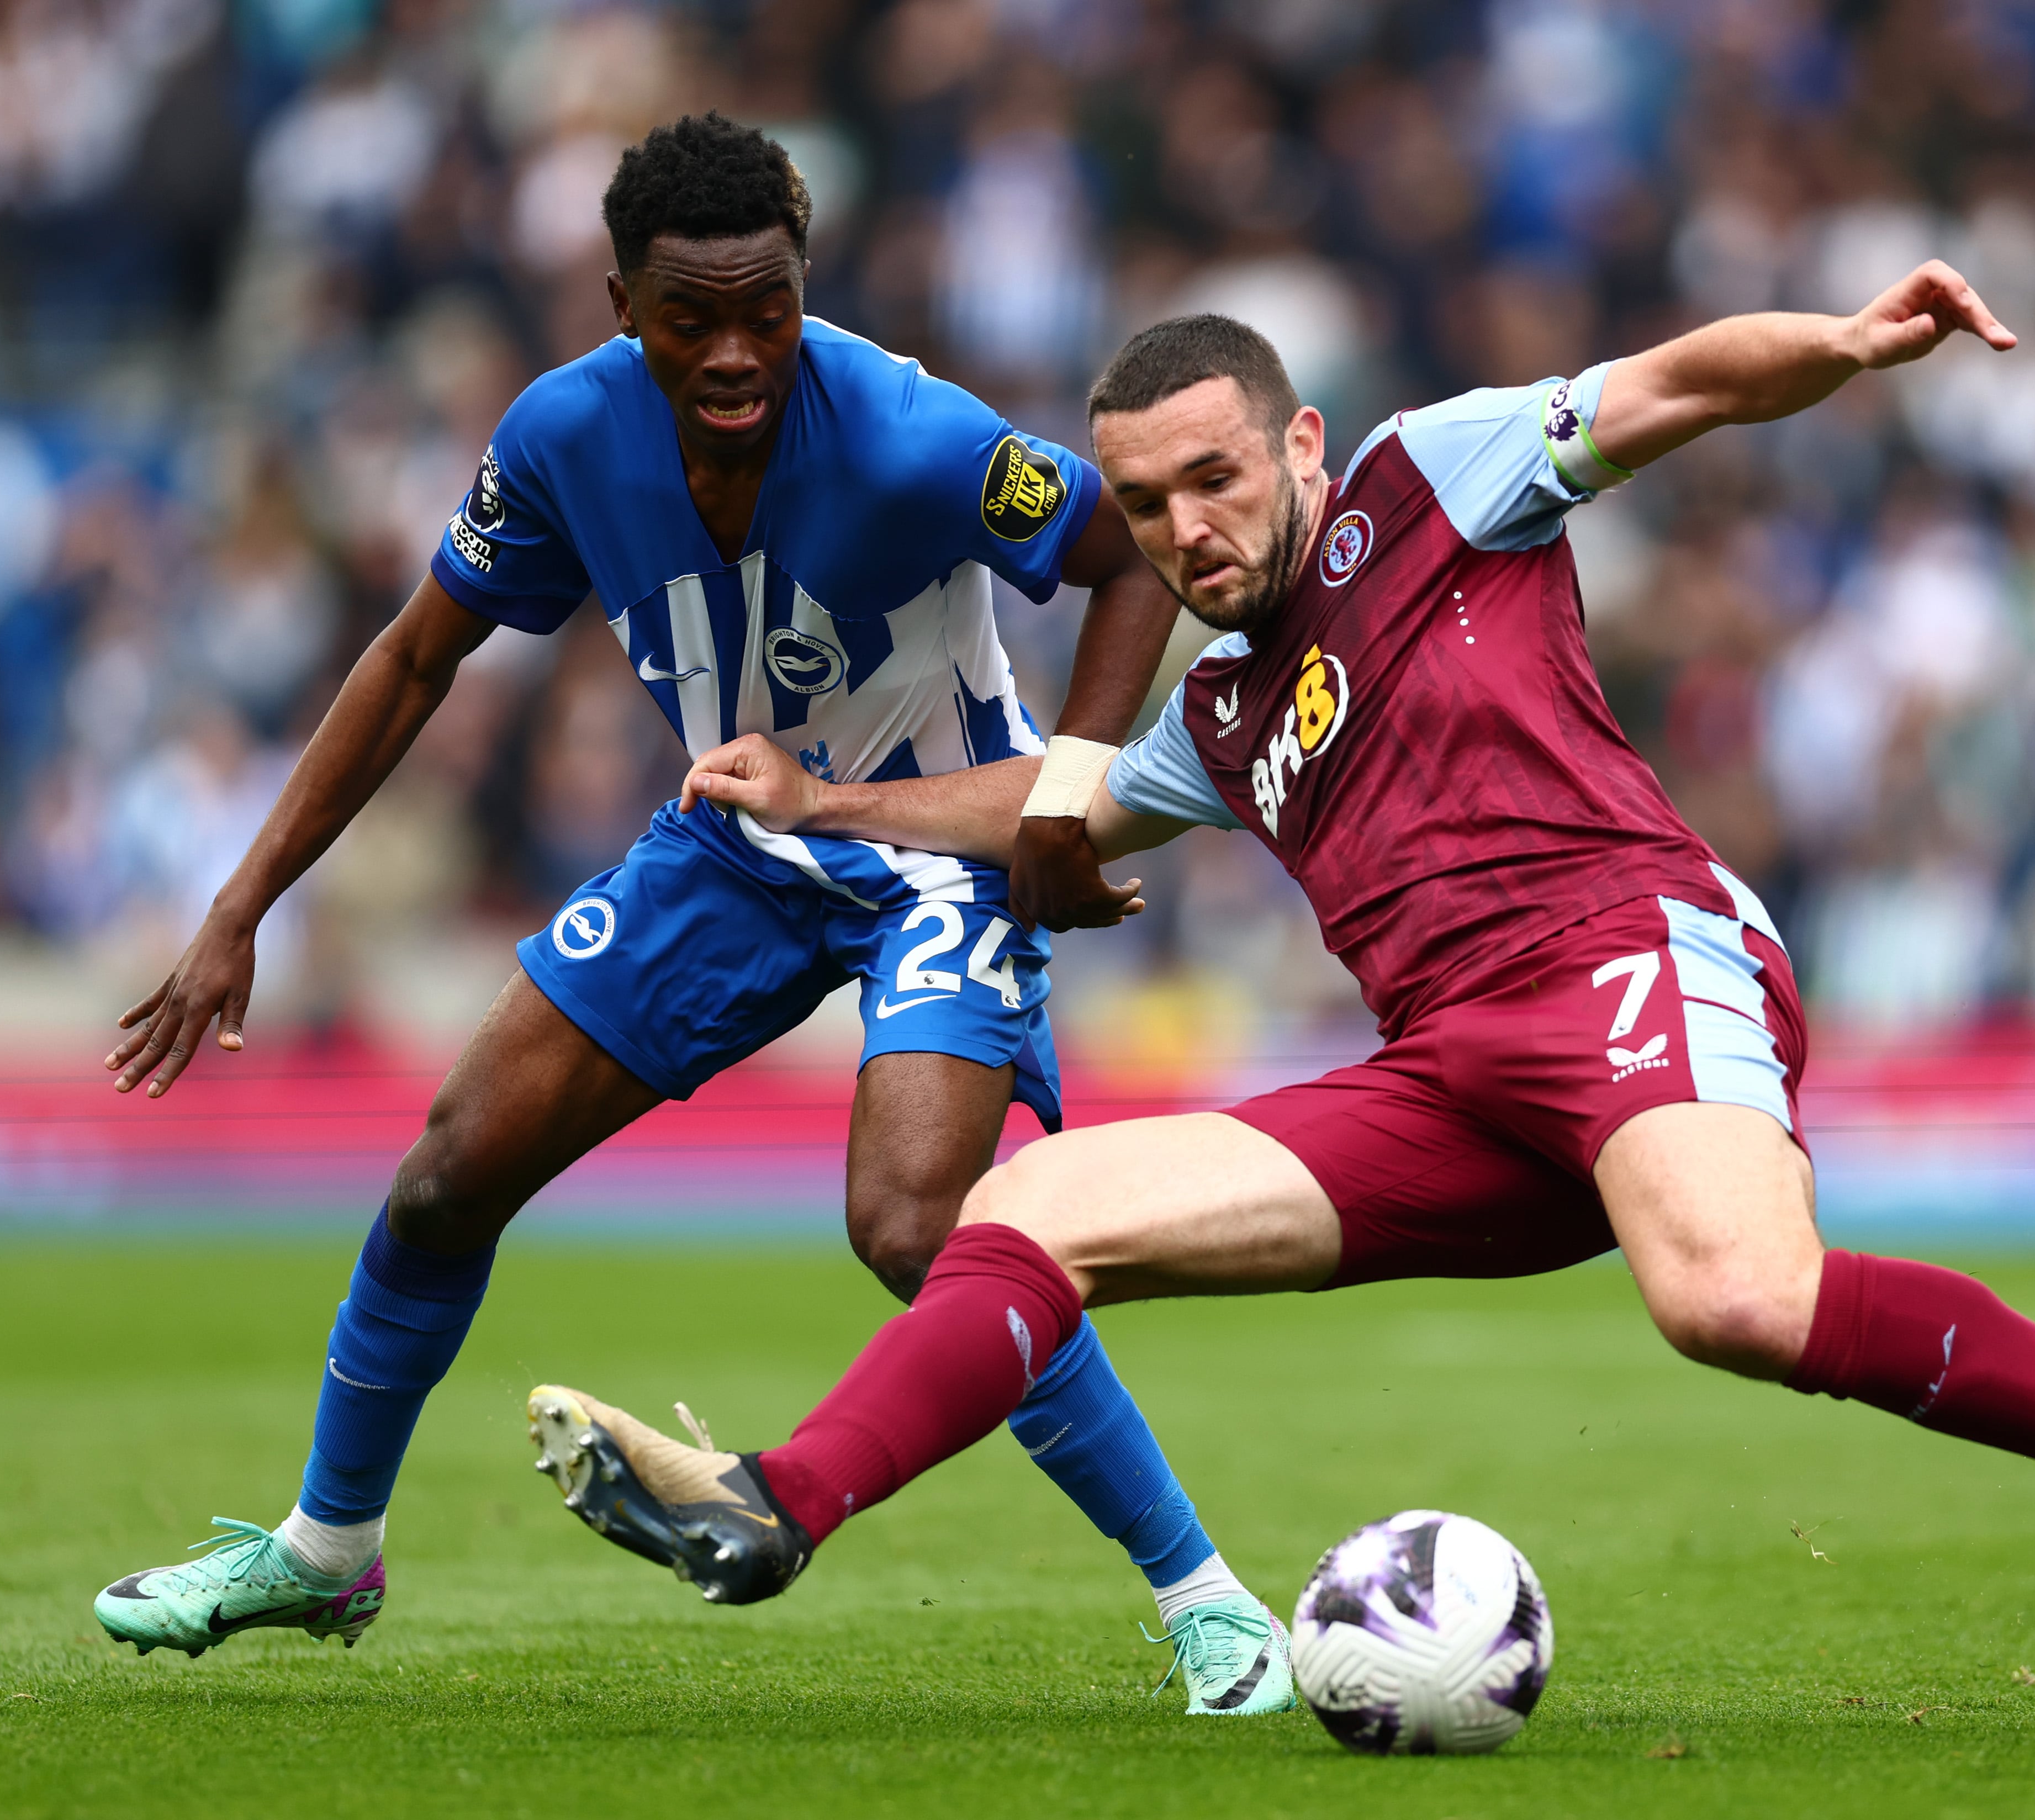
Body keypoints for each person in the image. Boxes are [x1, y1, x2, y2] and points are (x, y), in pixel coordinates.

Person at [527, 266, 2035, 1724]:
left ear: (1297, 442)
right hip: (1454, 1078)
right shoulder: (1216, 717)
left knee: (1727, 1301)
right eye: (1145, 506)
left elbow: (1677, 386)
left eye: (1214, 478)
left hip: (1630, 960)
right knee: (1028, 1204)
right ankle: (777, 1502)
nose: (1182, 530)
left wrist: (1848, 344)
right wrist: (828, 798)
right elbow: (1047, 801)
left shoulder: (1429, 477)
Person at [89, 115, 1297, 1718]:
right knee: (447, 1176)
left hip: (936, 841)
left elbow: (1124, 556)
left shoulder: (907, 432)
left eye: (768, 312)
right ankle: (327, 1551)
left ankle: (1208, 1603)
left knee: (919, 1229)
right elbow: (411, 659)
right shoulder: (557, 440)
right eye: (690, 319)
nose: (735, 352)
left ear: (806, 291)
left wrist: (1064, 796)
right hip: (732, 842)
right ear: (617, 304)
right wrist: (240, 904)